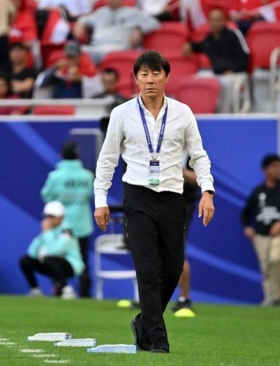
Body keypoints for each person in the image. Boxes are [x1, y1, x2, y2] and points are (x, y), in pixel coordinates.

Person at [94, 50, 215, 354]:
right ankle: (158, 340)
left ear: (166, 77)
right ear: (135, 79)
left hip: (173, 197)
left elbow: (199, 156)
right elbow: (107, 160)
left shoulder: (183, 113)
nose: (150, 80)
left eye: (156, 74)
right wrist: (100, 199)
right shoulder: (121, 114)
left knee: (173, 269)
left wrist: (207, 191)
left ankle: (143, 321)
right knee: (147, 270)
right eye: (144, 75)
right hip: (137, 196)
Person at [241, 154, 280, 307]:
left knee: (275, 259)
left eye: (279, 166)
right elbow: (246, 212)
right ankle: (269, 298)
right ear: (265, 170)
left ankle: (279, 295)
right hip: (261, 235)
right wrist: (247, 227)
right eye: (274, 166)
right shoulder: (258, 191)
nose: (278, 170)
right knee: (265, 266)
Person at [41, 141, 95, 298]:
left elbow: (46, 197)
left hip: (60, 226)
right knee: (82, 261)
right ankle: (85, 296)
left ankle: (60, 291)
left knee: (56, 258)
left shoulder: (55, 177)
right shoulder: (87, 176)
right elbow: (90, 195)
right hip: (82, 225)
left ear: (61, 156)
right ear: (78, 155)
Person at [183, 7, 249, 113]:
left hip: (235, 74)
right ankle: (199, 114)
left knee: (226, 83)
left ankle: (224, 116)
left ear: (224, 21)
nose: (215, 23)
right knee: (195, 80)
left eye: (218, 20)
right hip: (216, 74)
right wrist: (189, 45)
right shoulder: (209, 39)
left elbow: (245, 56)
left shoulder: (234, 35)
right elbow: (198, 46)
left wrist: (233, 70)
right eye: (212, 20)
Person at [19, 201, 85, 299]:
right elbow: (32, 253)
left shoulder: (67, 230)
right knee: (25, 260)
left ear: (61, 217)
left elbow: (54, 251)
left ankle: (67, 290)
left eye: (52, 216)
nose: (49, 219)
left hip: (71, 266)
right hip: (51, 264)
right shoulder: (48, 230)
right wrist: (43, 234)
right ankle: (35, 290)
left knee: (48, 259)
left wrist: (46, 232)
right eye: (48, 216)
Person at [73, 0, 160, 64]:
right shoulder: (101, 12)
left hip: (117, 48)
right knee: (73, 51)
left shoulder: (132, 12)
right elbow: (85, 19)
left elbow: (154, 23)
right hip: (96, 47)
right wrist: (80, 23)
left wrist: (139, 29)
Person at [171, 162, 201, 316]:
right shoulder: (160, 147)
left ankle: (184, 297)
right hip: (156, 203)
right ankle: (148, 298)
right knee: (152, 253)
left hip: (181, 207)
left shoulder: (191, 154)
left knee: (178, 253)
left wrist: (177, 169)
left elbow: (198, 178)